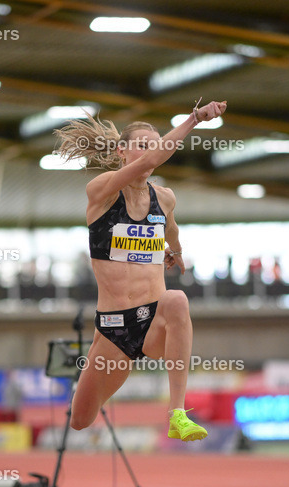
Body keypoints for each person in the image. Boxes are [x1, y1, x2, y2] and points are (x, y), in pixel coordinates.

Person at [54, 98, 227, 441]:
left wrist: (176, 251)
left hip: (154, 321)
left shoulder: (164, 198)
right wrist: (194, 118)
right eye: (143, 146)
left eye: (155, 144)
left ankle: (178, 414)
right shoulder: (101, 191)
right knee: (80, 420)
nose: (151, 153)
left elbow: (171, 228)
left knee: (177, 300)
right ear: (122, 152)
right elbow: (152, 160)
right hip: (114, 329)